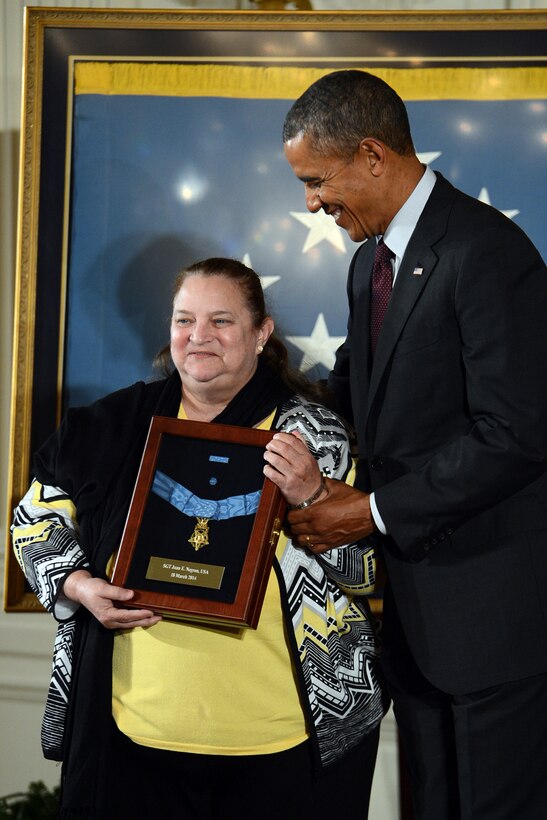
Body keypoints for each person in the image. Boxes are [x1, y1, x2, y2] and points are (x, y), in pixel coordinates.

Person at [11, 257, 386, 820]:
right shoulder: (112, 425)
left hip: (283, 742)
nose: (199, 337)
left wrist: (312, 496)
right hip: (132, 736)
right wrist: (78, 584)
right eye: (184, 320)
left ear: (261, 334)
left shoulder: (316, 437)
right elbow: (32, 520)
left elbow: (370, 573)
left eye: (221, 321)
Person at [281, 69, 547, 820]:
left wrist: (370, 512)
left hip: (493, 621)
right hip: (417, 624)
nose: (311, 203)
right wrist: (242, 406)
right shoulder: (368, 261)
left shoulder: (485, 251)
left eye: (315, 180)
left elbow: (517, 435)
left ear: (371, 155)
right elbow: (349, 393)